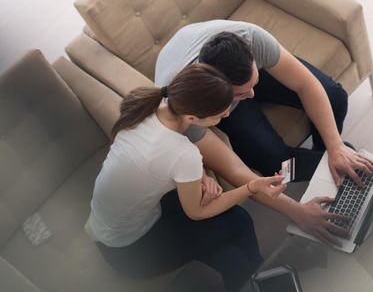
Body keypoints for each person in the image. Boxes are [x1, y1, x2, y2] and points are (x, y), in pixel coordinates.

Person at [155, 19, 373, 246]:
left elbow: (305, 84)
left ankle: (331, 161)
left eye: (255, 83)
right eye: (241, 94)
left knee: (335, 98)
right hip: (199, 83)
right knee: (276, 162)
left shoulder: (250, 38)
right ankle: (329, 165)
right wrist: (297, 211)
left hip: (219, 62)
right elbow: (235, 170)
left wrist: (335, 146)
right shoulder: (188, 111)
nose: (252, 95)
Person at [87, 63, 286, 291]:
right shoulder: (182, 153)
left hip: (113, 225)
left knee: (232, 256)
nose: (227, 113)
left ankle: (257, 279)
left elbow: (158, 162)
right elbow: (197, 212)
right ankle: (261, 279)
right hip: (130, 252)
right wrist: (252, 187)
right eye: (220, 114)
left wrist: (200, 176)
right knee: (239, 222)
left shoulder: (150, 107)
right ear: (192, 118)